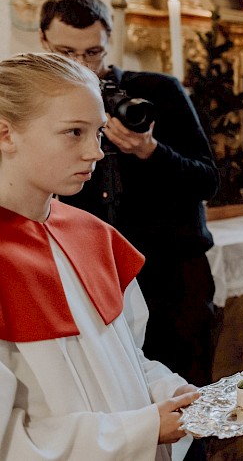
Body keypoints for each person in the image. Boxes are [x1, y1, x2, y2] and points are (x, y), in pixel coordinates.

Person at [39, 0, 220, 459]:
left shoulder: (157, 91)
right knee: (119, 401)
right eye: (66, 53)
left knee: (191, 408)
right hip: (97, 282)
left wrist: (150, 152)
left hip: (173, 280)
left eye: (94, 52)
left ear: (110, 42)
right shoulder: (43, 107)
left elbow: (209, 179)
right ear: (42, 42)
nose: (83, 63)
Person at [0, 52, 200, 460]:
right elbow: (9, 441)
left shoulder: (93, 235)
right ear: (5, 134)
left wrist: (169, 392)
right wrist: (141, 430)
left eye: (98, 132)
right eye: (74, 132)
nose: (95, 152)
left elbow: (127, 359)